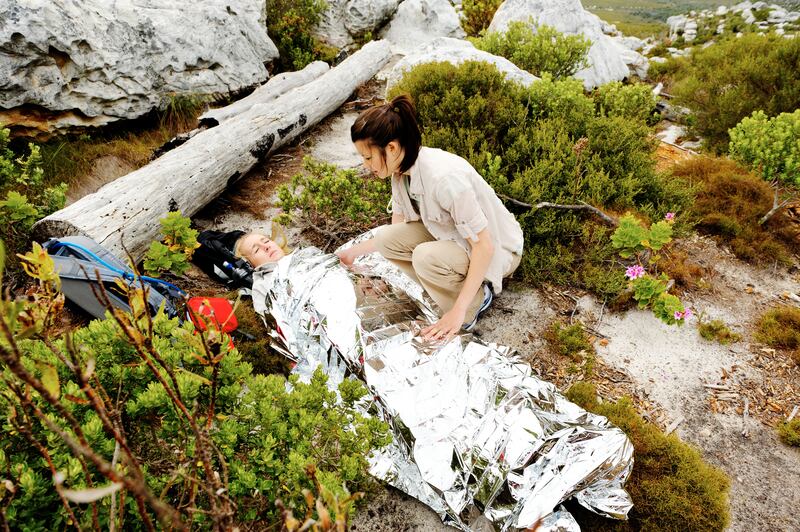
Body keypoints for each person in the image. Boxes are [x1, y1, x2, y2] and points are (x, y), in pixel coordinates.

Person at [335, 95, 524, 340]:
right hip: (454, 240)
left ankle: (474, 302)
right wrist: (355, 253)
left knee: (425, 257)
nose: (365, 164)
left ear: (391, 147)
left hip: (499, 251)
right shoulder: (400, 172)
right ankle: (448, 291)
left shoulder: (444, 179)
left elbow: (484, 246)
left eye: (368, 157)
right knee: (386, 238)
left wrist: (458, 311)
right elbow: (398, 230)